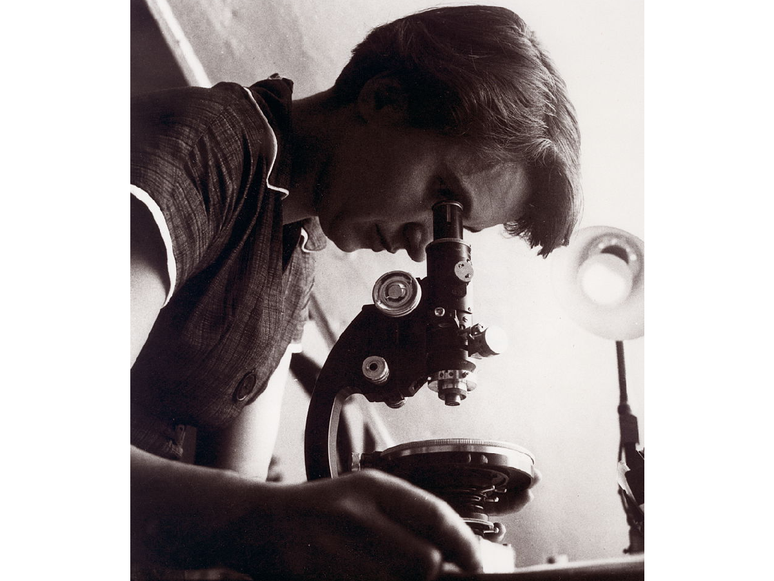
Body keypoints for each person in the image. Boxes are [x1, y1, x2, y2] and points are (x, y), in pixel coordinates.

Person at [131, 5, 581, 580]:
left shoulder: (294, 250)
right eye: (441, 196)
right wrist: (277, 523)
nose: (422, 246)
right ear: (383, 100)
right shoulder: (204, 149)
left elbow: (238, 491)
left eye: (455, 229)